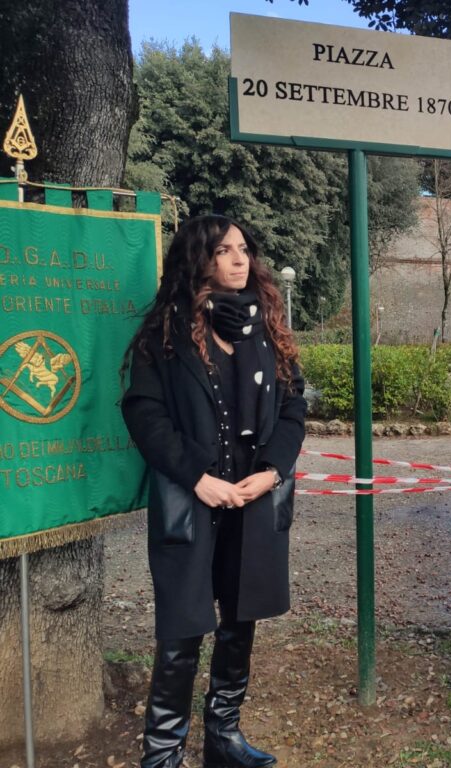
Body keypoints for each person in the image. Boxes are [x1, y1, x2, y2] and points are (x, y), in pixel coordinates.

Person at [121, 215, 306, 768]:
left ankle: (222, 738)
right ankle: (163, 754)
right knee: (182, 631)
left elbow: (295, 407)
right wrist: (197, 477)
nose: (238, 259)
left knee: (238, 621)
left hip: (251, 502)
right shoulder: (167, 333)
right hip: (192, 502)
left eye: (243, 249)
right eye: (224, 250)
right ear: (198, 258)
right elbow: (144, 414)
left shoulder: (268, 326)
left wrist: (273, 470)